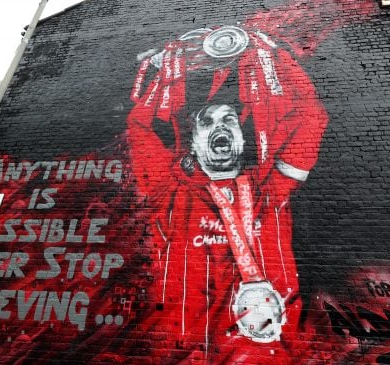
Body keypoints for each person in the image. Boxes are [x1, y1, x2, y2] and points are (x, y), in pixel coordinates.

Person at [125, 25, 328, 363]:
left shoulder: (271, 190)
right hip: (184, 351)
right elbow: (140, 127)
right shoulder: (168, 191)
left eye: (229, 120)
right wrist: (167, 75)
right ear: (192, 141)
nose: (219, 126)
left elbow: (310, 113)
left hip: (267, 352)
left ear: (243, 137)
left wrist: (271, 55)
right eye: (206, 123)